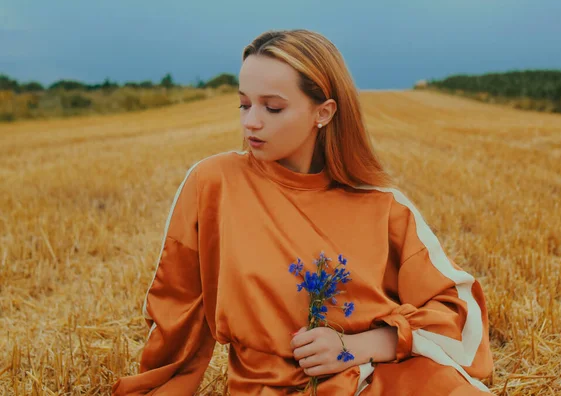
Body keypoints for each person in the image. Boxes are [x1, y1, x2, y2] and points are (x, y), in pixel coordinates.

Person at [111, 29, 495, 396]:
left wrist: (358, 344)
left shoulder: (384, 206)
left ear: (323, 112)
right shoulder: (214, 183)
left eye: (272, 107)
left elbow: (458, 308)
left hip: (394, 378)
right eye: (244, 104)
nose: (251, 122)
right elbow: (176, 309)